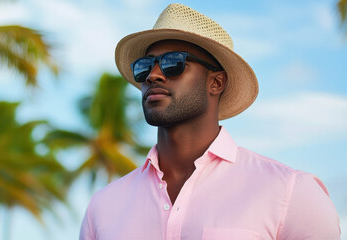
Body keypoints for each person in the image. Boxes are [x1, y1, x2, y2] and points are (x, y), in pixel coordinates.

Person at [79, 3, 341, 240]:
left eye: (173, 63)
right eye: (144, 66)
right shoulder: (103, 208)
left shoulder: (291, 194)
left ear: (216, 82)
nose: (153, 75)